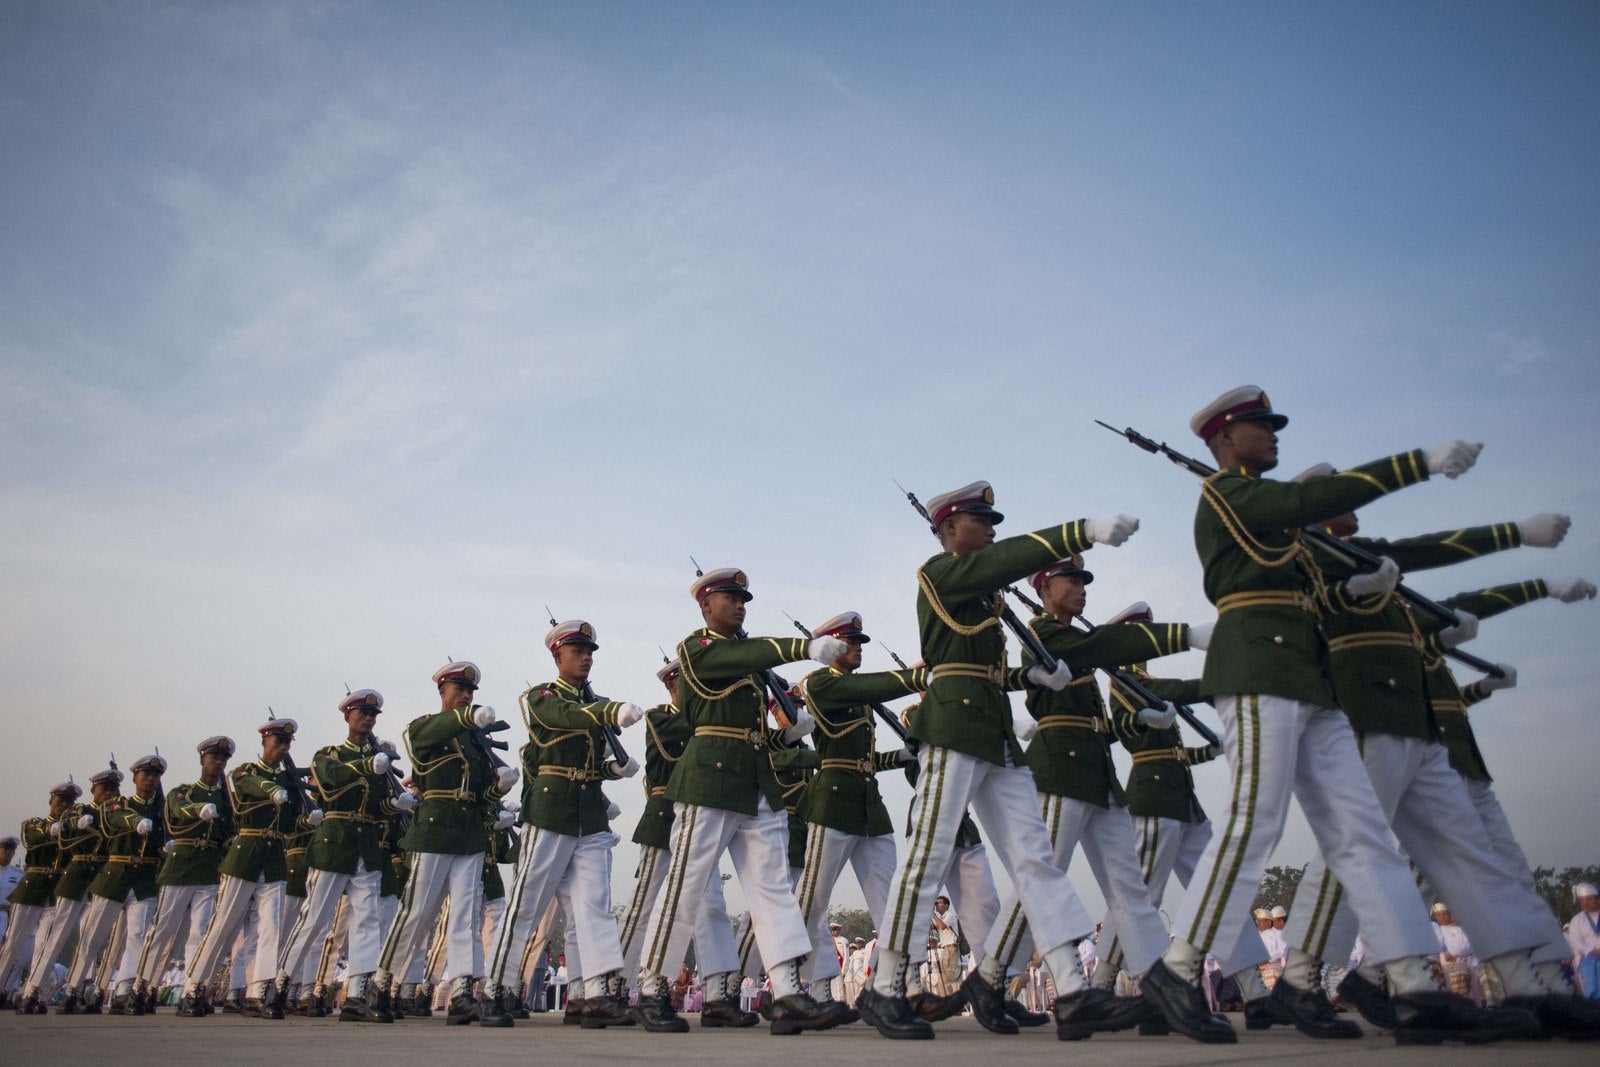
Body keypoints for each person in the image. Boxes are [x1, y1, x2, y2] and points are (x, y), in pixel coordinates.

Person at [1141, 385, 1523, 1047]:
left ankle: (1409, 982)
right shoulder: (1229, 496)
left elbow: (1324, 562)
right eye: (1262, 424)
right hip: (1258, 669)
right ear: (1225, 437)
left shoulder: (1283, 525)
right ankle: (1177, 969)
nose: (1275, 433)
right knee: (1254, 821)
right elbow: (1301, 502)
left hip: (1310, 682)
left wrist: (1353, 586)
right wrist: (1417, 463)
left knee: (1365, 833)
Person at [863, 479, 1147, 1043]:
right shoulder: (939, 573)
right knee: (928, 851)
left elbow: (985, 665)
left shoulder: (986, 592)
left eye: (994, 520)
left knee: (1035, 859)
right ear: (947, 528)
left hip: (994, 731)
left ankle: (1071, 990)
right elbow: (1002, 570)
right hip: (953, 725)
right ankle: (887, 984)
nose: (992, 528)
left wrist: (1029, 676)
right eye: (980, 519)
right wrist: (1079, 531)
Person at [981, 555, 1199, 1020]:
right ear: (1044, 587)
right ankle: (990, 978)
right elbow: (1096, 647)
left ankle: (1161, 988)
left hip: (1095, 769)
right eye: (1072, 579)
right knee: (1041, 881)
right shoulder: (1043, 634)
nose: (1082, 588)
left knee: (1129, 887)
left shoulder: (1074, 638)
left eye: (1084, 580)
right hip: (1061, 766)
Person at [632, 566, 845, 1035]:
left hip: (754, 778)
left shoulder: (748, 663)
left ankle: (788, 992)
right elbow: (741, 657)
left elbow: (762, 702)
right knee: (686, 885)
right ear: (706, 606)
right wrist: (803, 647)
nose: (740, 604)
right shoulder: (697, 648)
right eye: (729, 597)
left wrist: (788, 719)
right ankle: (651, 987)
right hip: (709, 776)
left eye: (743, 598)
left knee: (772, 888)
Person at [480, 619, 640, 1029]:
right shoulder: (541, 697)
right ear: (557, 655)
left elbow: (590, 758)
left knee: (594, 906)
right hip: (551, 811)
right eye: (577, 652)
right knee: (526, 903)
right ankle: (496, 987)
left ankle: (596, 992)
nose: (586, 658)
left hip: (589, 812)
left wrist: (612, 768)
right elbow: (563, 718)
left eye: (589, 652)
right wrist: (608, 711)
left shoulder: (597, 703)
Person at [371, 660, 518, 1025]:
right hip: (435, 828)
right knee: (418, 910)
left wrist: (497, 788)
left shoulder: (474, 741)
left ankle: (463, 991)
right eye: (459, 691)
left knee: (466, 913)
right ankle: (382, 982)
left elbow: (481, 792)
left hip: (469, 830)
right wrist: (469, 719)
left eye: (469, 692)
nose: (466, 696)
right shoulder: (425, 727)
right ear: (443, 692)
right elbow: (419, 739)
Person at [793, 611, 923, 1012]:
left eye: (861, 642)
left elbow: (863, 758)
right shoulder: (819, 684)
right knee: (812, 901)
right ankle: (800, 986)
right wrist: (917, 676)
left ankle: (902, 984)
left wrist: (900, 755)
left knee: (893, 896)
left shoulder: (858, 692)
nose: (858, 648)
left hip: (869, 804)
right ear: (831, 648)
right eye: (851, 642)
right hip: (832, 801)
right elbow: (873, 692)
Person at [272, 688, 415, 1022]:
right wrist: (368, 764)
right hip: (334, 845)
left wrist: (394, 805)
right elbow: (330, 780)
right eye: (361, 713)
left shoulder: (380, 761)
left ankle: (356, 996)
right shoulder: (330, 754)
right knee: (314, 920)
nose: (367, 718)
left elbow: (377, 805)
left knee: (368, 923)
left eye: (372, 715)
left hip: (367, 847)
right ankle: (279, 987)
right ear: (348, 716)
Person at [179, 717, 316, 1018]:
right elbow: (247, 786)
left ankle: (258, 990)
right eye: (277, 742)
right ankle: (194, 986)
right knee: (223, 925)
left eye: (286, 744)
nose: (282, 747)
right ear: (265, 743)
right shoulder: (246, 772)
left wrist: (307, 817)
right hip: (246, 854)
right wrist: (273, 789)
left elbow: (291, 822)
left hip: (274, 858)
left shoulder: (288, 781)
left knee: (271, 928)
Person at [132, 736, 236, 1015]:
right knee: (162, 931)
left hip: (208, 869)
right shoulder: (184, 791)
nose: (219, 763)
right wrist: (199, 812)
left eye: (223, 759)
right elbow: (176, 810)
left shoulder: (228, 801)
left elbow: (229, 835)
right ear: (202, 759)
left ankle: (193, 989)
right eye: (214, 757)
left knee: (200, 934)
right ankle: (141, 986)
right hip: (180, 867)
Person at [68, 753, 167, 1014]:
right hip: (115, 875)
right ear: (135, 777)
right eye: (146, 775)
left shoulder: (162, 809)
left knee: (138, 937)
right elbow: (118, 817)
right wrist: (137, 822)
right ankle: (73, 988)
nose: (151, 780)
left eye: (156, 776)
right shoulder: (116, 804)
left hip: (144, 879)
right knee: (92, 936)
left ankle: (124, 991)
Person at [18, 769, 114, 1013]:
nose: (108, 793)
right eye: (104, 789)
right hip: (76, 876)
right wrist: (76, 824)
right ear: (95, 790)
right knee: (55, 937)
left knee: (91, 939)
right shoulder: (80, 811)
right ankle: (33, 990)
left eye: (112, 789)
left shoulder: (114, 814)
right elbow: (66, 827)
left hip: (98, 879)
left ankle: (80, 989)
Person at [0, 783, 75, 1005]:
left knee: (45, 945)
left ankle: (34, 992)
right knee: (13, 943)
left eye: (68, 802)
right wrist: (55, 829)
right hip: (32, 888)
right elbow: (31, 838)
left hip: (56, 891)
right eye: (59, 801)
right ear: (51, 802)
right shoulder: (35, 824)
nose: (63, 806)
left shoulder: (74, 830)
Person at [1568, 884, 1600, 999]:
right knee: (1591, 994)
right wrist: (1592, 951)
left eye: (1588, 900)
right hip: (1587, 960)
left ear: (1597, 898)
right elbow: (1574, 942)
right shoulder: (1577, 920)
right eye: (1581, 900)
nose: (1584, 903)